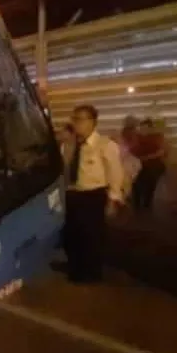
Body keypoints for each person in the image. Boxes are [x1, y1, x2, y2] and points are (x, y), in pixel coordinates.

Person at [61, 105, 125, 283]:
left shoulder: (105, 145)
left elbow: (115, 173)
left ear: (93, 122)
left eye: (81, 119)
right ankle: (75, 268)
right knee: (72, 235)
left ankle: (92, 273)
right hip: (72, 195)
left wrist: (113, 200)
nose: (77, 124)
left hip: (93, 196)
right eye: (74, 119)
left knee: (92, 236)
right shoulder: (70, 144)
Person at [131, 118, 167, 212]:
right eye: (142, 128)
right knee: (135, 181)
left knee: (149, 181)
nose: (143, 130)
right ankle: (137, 205)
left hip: (153, 166)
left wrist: (146, 158)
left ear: (151, 128)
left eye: (146, 128)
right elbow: (131, 151)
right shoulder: (136, 137)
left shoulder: (157, 137)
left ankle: (147, 204)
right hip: (137, 165)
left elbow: (161, 152)